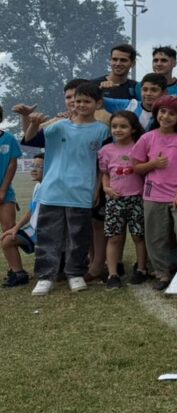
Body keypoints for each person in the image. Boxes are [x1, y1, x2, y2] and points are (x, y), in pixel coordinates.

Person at [24, 82, 110, 296]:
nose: (80, 105)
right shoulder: (58, 126)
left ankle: (75, 273)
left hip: (81, 192)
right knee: (48, 236)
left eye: (86, 101)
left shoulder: (102, 130)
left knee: (78, 236)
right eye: (77, 100)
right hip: (52, 191)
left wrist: (97, 188)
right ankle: (45, 277)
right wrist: (32, 122)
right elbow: (30, 138)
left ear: (98, 103)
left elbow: (103, 164)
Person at [130, 96, 177, 291]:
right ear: (156, 113)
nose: (166, 116)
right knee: (155, 235)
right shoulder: (147, 137)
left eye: (171, 113)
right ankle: (162, 273)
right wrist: (152, 164)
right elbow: (136, 167)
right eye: (162, 111)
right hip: (154, 193)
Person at [98, 111, 148, 290]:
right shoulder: (106, 150)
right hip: (115, 200)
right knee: (114, 237)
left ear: (133, 129)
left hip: (137, 199)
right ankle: (112, 274)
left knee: (139, 236)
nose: (118, 130)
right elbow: (105, 173)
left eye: (123, 126)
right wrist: (106, 188)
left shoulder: (141, 147)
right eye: (114, 126)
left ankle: (141, 269)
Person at [1, 152, 43, 288]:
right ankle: (19, 274)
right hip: (34, 231)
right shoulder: (38, 186)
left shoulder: (51, 188)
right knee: (7, 239)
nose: (34, 169)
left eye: (39, 166)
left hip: (48, 232)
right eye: (33, 165)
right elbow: (31, 211)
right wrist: (16, 228)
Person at [0, 106, 23, 283]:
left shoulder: (8, 138)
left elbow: (12, 165)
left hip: (5, 193)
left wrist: (2, 191)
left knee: (9, 231)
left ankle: (17, 271)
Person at [102, 72, 167, 131]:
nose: (148, 93)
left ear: (164, 93)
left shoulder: (168, 114)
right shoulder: (130, 105)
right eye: (145, 89)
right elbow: (98, 101)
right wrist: (100, 89)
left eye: (154, 90)